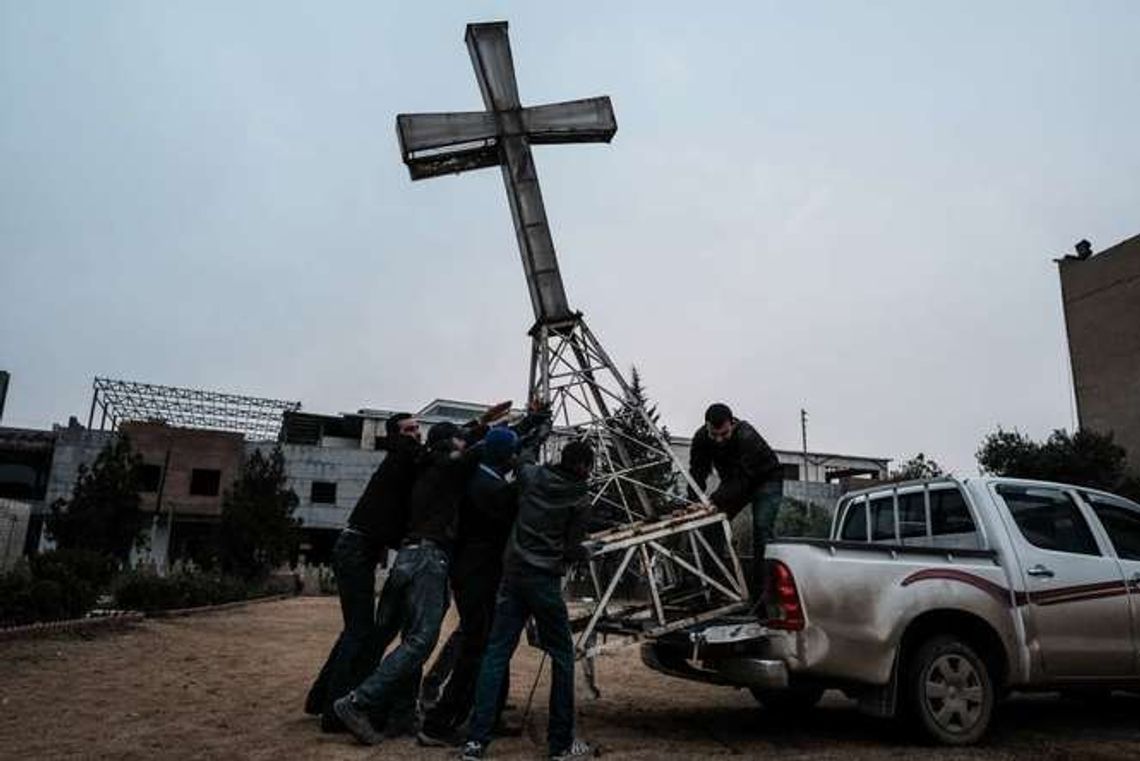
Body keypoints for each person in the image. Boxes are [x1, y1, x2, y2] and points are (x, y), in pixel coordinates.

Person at [333, 419, 487, 745]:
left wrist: (478, 427)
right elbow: (487, 448)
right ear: (452, 444)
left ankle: (401, 714)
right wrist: (511, 429)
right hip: (428, 560)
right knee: (421, 640)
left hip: (405, 558)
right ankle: (357, 702)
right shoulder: (448, 466)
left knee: (399, 636)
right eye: (460, 441)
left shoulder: (426, 467)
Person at [419, 414, 551, 747]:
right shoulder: (490, 489)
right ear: (505, 457)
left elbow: (492, 450)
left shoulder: (477, 474)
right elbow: (522, 494)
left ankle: (487, 716)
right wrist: (528, 456)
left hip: (473, 573)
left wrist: (523, 436)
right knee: (477, 649)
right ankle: (440, 723)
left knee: (493, 643)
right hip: (477, 575)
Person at [460, 440, 596, 761]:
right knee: (562, 656)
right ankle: (560, 743)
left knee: (496, 654)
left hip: (513, 576)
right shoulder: (579, 498)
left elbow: (522, 458)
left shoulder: (533, 477)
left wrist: (536, 430)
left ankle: (476, 741)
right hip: (545, 581)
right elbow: (572, 548)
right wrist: (587, 551)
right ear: (584, 467)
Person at [304, 412, 422, 731]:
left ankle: (319, 699)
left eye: (418, 428)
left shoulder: (402, 460)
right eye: (410, 429)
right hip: (356, 551)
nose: (417, 434)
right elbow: (427, 449)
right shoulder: (402, 454)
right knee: (358, 632)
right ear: (397, 434)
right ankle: (334, 713)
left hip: (356, 550)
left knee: (354, 630)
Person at [688, 402, 782, 595]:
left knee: (762, 532)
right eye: (714, 435)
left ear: (733, 423)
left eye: (724, 434)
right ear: (707, 427)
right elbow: (697, 472)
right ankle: (714, 588)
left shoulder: (747, 437)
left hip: (765, 479)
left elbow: (743, 478)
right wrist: (694, 502)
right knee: (712, 524)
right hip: (734, 481)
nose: (720, 440)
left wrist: (713, 501)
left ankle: (763, 595)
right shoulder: (701, 439)